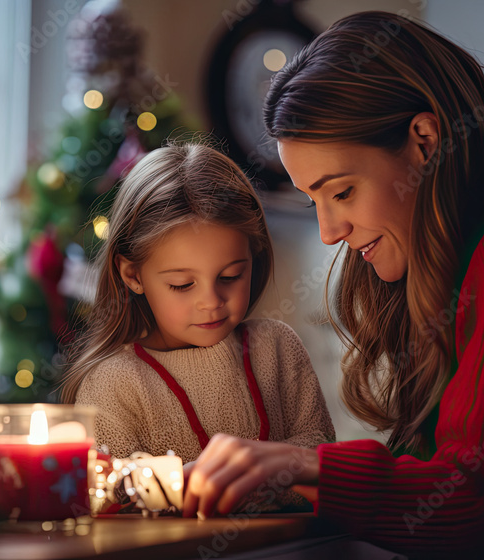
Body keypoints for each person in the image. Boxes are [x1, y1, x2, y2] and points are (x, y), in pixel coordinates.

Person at [182, 11, 484, 558]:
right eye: (313, 201)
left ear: (423, 140)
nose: (328, 233)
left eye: (342, 192)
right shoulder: (465, 238)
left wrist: (300, 465)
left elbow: (477, 504)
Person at [59, 143, 335, 510]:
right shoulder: (114, 382)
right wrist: (175, 485)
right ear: (132, 275)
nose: (211, 301)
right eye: (182, 285)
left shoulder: (277, 346)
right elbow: (104, 493)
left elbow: (323, 459)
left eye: (231, 276)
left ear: (255, 257)